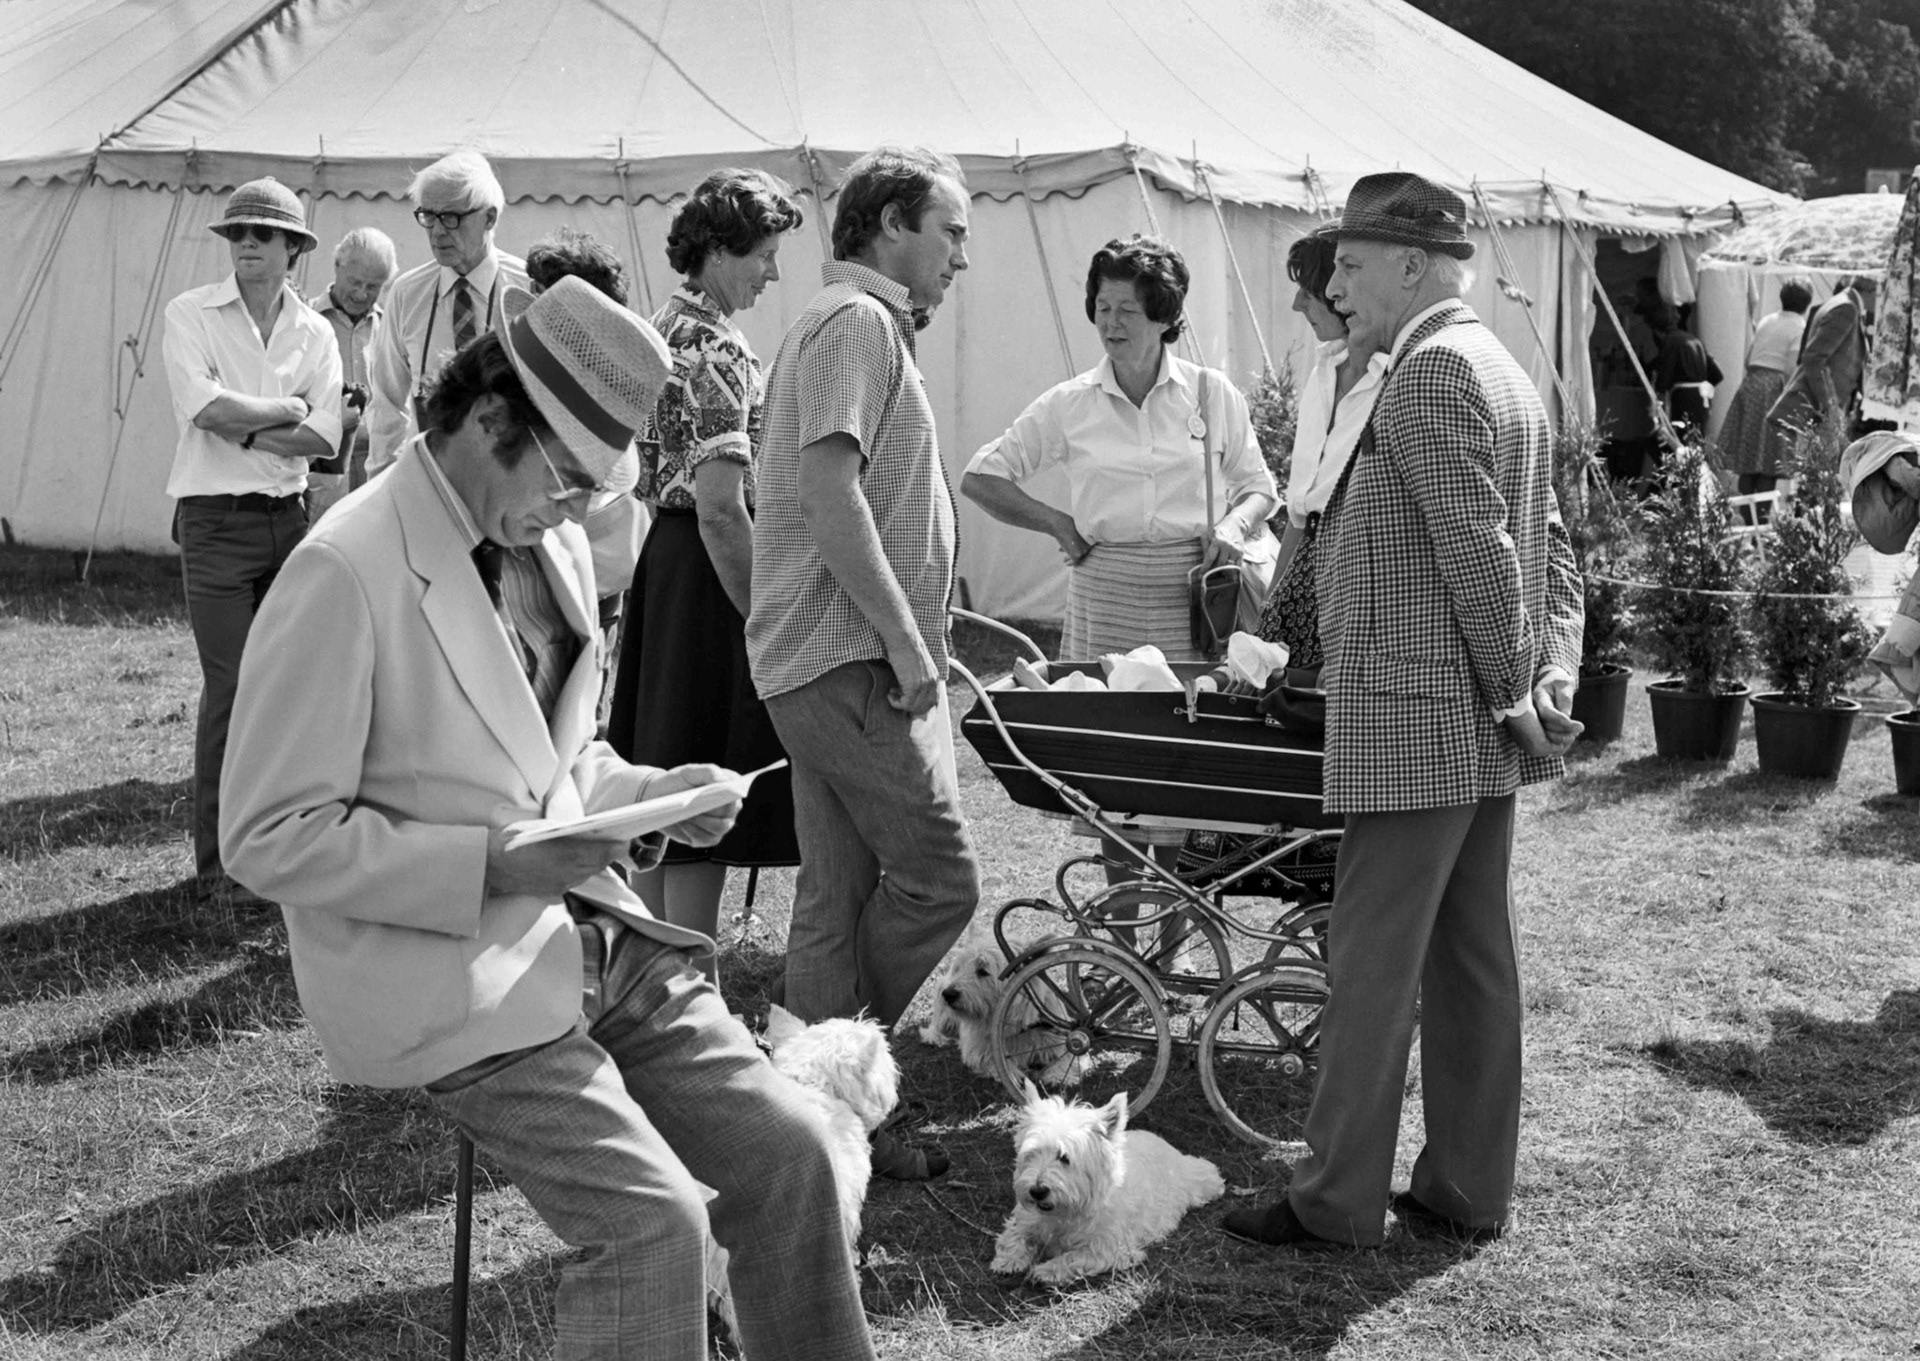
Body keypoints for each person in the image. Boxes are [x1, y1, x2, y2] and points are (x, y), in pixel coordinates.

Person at [218, 276, 876, 1361]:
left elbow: (554, 761)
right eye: (568, 479)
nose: (577, 512)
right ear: (488, 422)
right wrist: (495, 864)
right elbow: (268, 832)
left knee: (794, 1150)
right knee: (652, 1225)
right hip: (447, 967)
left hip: (596, 937)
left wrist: (653, 794)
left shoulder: (553, 545)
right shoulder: (345, 567)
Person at [1220, 171, 1584, 1250]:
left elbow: (1488, 549)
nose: (1335, 278)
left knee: (1372, 967)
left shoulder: (1425, 372)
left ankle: (1335, 1200)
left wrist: (1523, 682)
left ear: (1415, 264)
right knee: (1473, 962)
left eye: (1352, 259)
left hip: (1419, 716)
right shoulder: (1500, 367)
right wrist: (1543, 674)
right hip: (1469, 719)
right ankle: (1467, 1188)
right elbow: (1551, 547)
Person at [747, 145, 981, 1180]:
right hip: (846, 662)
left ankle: (800, 1130)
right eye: (952, 232)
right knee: (939, 877)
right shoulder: (856, 322)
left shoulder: (850, 324)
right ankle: (837, 1087)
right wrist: (901, 636)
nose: (961, 258)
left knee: (832, 900)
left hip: (821, 661)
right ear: (890, 225)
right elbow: (830, 494)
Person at [607, 170, 805, 985]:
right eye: (763, 254)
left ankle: (646, 966)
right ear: (720, 250)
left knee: (662, 766)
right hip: (705, 561)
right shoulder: (719, 345)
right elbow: (723, 505)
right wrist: (765, 621)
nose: (771, 273)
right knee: (700, 781)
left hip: (665, 562)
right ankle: (686, 979)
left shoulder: (661, 324)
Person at [962, 234, 1276, 663]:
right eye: (1103, 309)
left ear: (1165, 317)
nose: (1111, 324)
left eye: (1127, 310)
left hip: (1194, 595)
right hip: (1103, 597)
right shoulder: (1069, 403)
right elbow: (981, 477)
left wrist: (1234, 527)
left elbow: (1258, 486)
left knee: (1189, 718)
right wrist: (1056, 523)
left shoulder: (1210, 392)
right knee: (1106, 718)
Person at [160, 176, 343, 896]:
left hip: (289, 523)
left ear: (293, 249)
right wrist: (285, 413)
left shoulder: (317, 329)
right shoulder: (191, 312)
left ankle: (275, 853)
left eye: (261, 236)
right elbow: (204, 409)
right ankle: (221, 866)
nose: (246, 247)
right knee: (233, 687)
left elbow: (325, 435)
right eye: (237, 235)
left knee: (287, 690)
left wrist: (253, 424)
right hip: (214, 524)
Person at [522, 225, 651, 730]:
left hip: (583, 565)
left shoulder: (590, 377)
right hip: (555, 564)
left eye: (543, 294)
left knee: (580, 701)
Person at [1256, 227, 1389, 670]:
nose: (1298, 305)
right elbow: (1300, 515)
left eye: (1308, 292)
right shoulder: (1323, 371)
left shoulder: (1395, 381)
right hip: (1300, 579)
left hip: (1359, 591)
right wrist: (1270, 610)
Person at [366, 149, 529, 475]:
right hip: (431, 480)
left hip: (511, 478)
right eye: (429, 216)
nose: (438, 231)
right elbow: (387, 404)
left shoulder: (527, 289)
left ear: (490, 218)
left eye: (452, 217)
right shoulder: (406, 294)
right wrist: (380, 486)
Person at [305, 226, 397, 520]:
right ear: (336, 266)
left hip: (377, 464)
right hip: (322, 462)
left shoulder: (392, 327)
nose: (360, 293)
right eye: (354, 282)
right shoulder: (305, 321)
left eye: (373, 287)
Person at [1719, 276, 1813, 498]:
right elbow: (1791, 368)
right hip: (1775, 389)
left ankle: (1745, 511)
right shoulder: (1800, 327)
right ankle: (1759, 518)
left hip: (1751, 383)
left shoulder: (1767, 320)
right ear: (1807, 303)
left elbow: (1749, 358)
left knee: (1749, 457)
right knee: (1769, 459)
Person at [1768, 274, 1878, 452]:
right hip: (1819, 410)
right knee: (1817, 470)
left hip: (1821, 409)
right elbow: (1814, 358)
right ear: (1872, 292)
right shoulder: (1846, 308)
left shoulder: (1843, 303)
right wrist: (1830, 406)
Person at [1644, 299, 1723, 447]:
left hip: (1683, 399)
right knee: (1696, 444)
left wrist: (1657, 387)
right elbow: (1716, 375)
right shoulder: (1694, 339)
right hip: (1702, 399)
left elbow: (1664, 379)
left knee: (1675, 443)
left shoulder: (1671, 341)